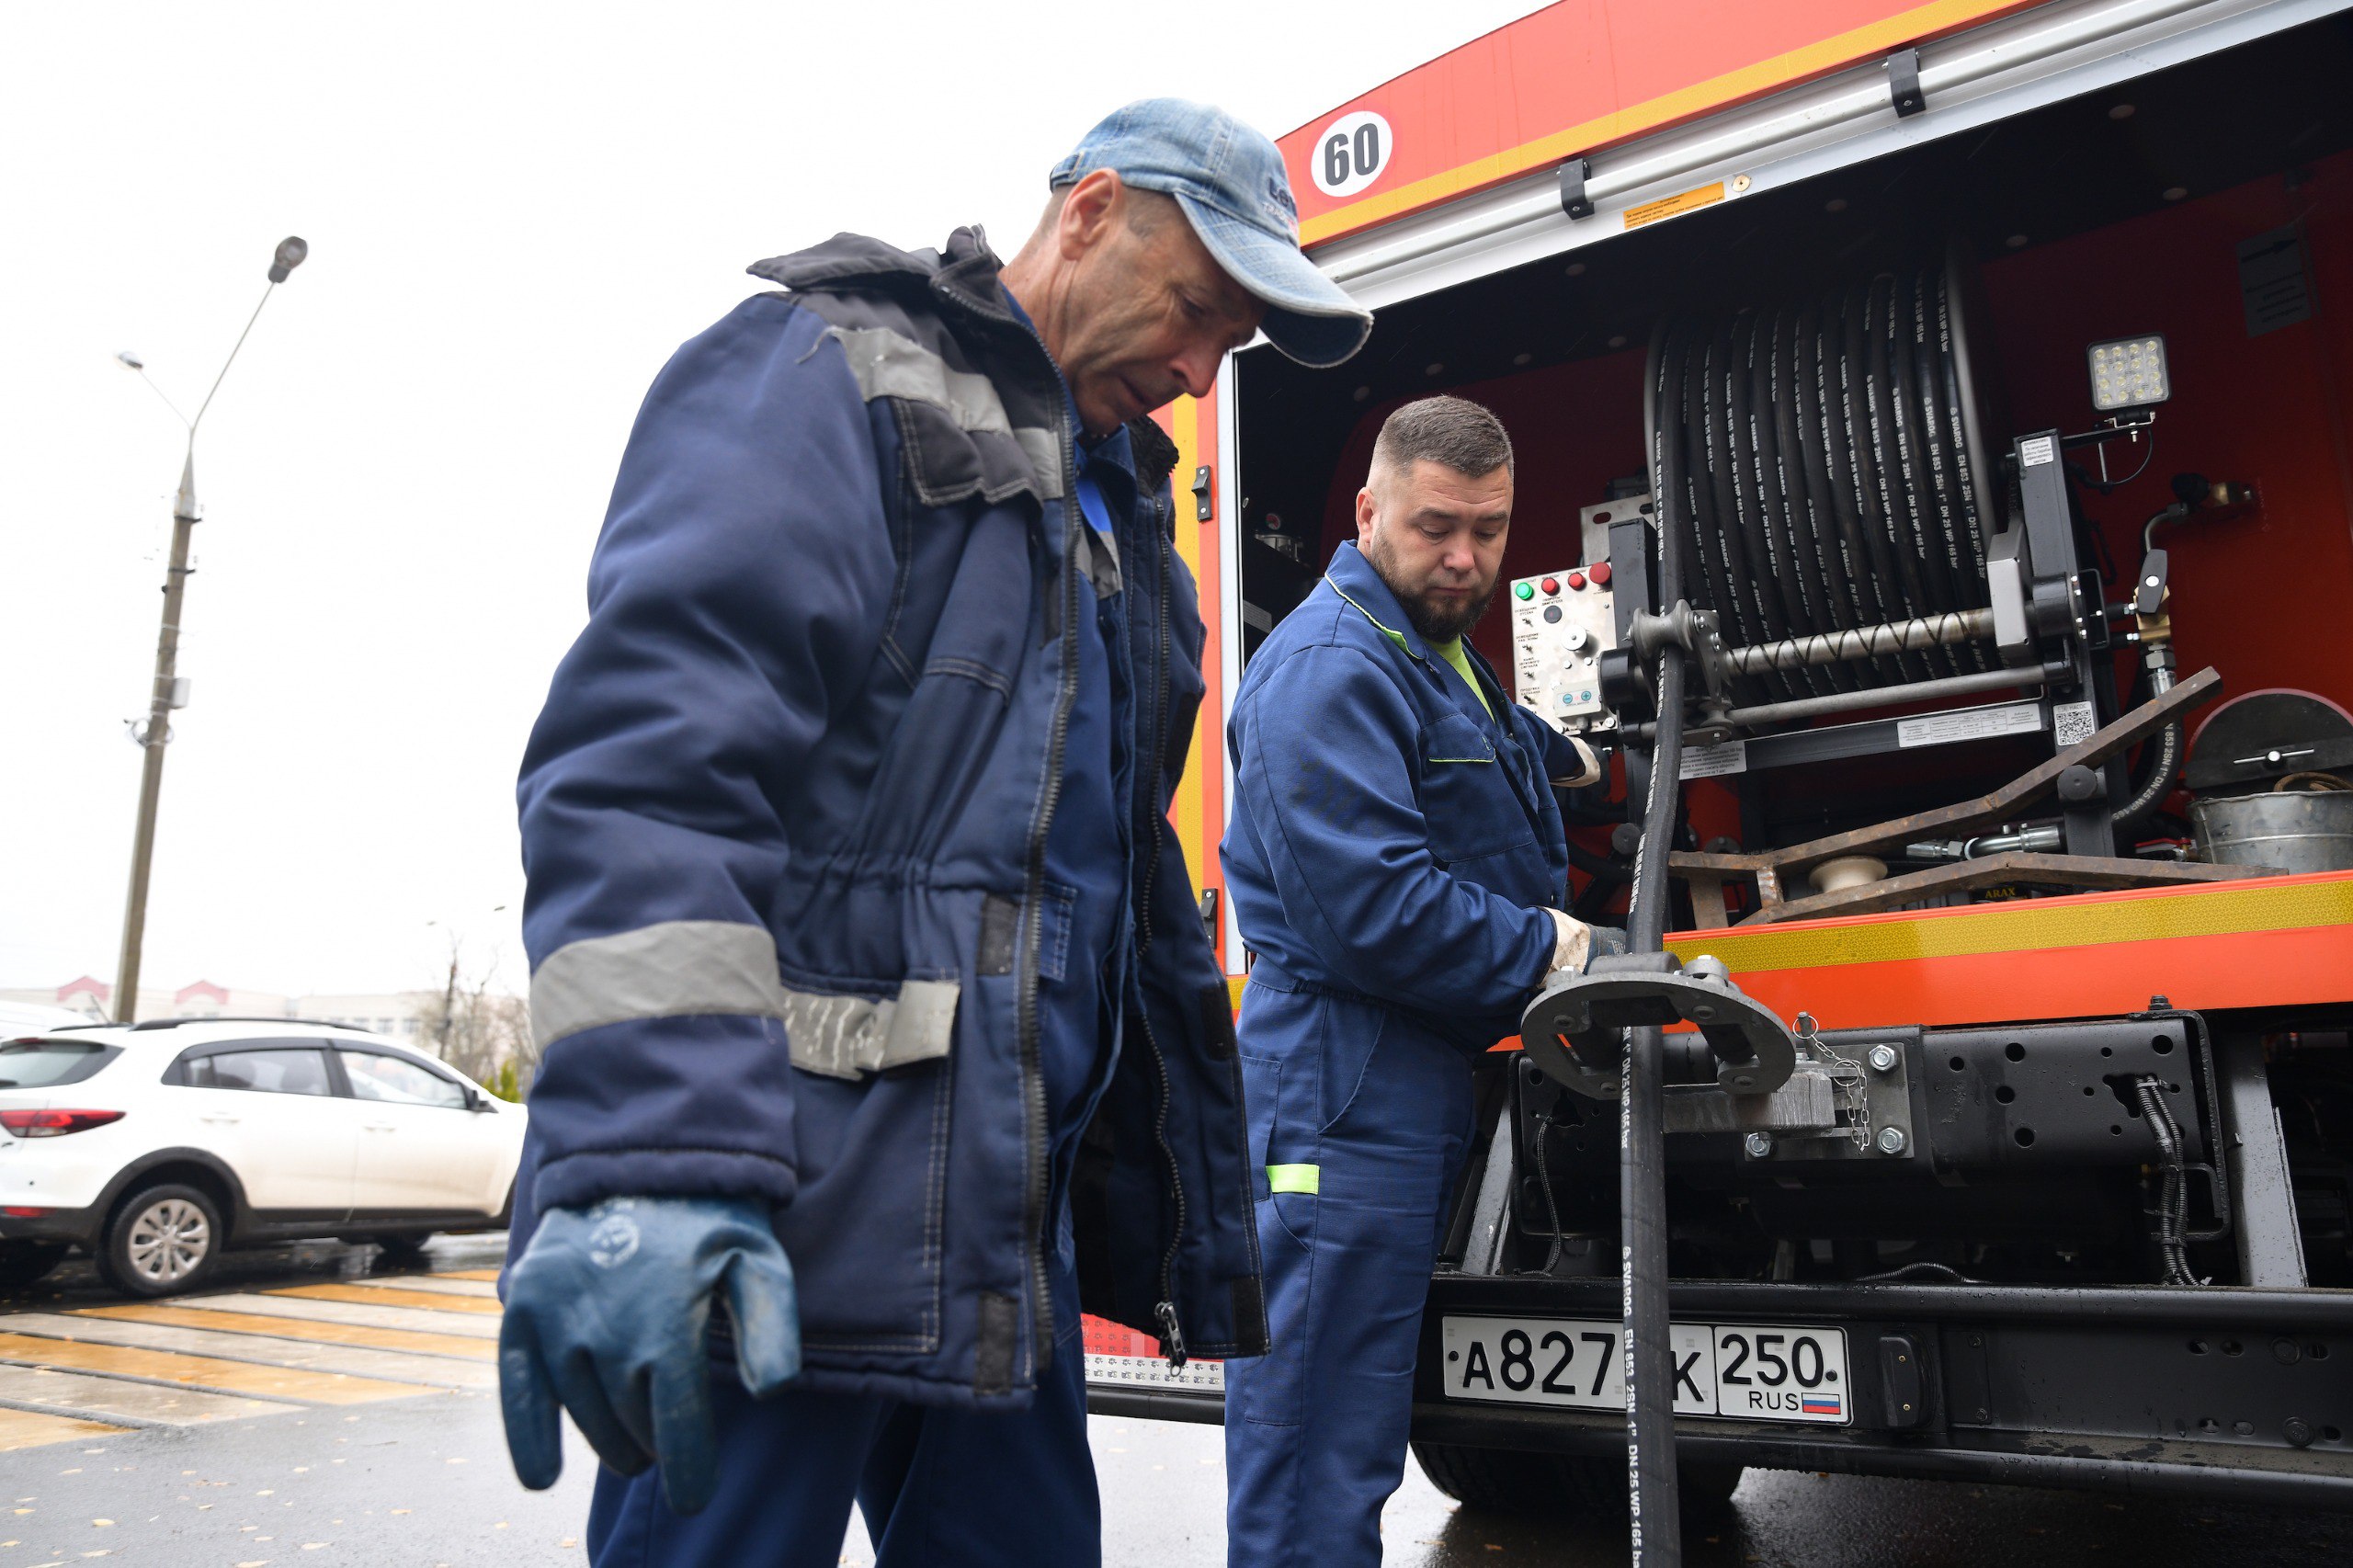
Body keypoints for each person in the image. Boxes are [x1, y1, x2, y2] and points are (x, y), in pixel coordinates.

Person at [496, 100, 1371, 1568]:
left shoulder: (1117, 506)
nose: (1204, 368)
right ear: (1090, 212)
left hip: (990, 1228)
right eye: (1200, 308)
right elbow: (648, 775)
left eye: (1234, 343)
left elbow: (1105, 881)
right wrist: (653, 1151)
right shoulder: (829, 370)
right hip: (775, 1209)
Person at [1219, 395, 1608, 1568]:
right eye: (1438, 526)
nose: (1466, 557)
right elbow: (1374, 912)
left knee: (1352, 1419)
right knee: (1315, 1434)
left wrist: (1568, 753)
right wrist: (1548, 948)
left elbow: (1470, 749)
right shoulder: (1327, 669)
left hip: (1399, 1079)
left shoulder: (1424, 640)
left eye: (1489, 530)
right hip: (1336, 1089)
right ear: (1367, 510)